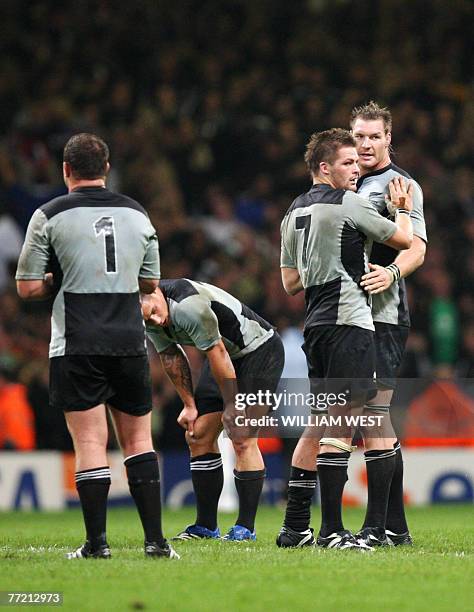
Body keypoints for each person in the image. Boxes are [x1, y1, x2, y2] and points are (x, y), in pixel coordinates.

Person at [15, 133, 178, 560]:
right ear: (106, 169)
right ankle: (156, 543)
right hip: (127, 339)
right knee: (140, 441)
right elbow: (149, 284)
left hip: (77, 342)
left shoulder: (48, 215)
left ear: (65, 170)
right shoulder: (136, 213)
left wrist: (55, 278)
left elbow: (28, 287)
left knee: (90, 443)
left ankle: (97, 544)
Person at [277, 128, 413, 550]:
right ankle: (333, 531)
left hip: (315, 326)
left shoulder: (293, 212)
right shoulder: (349, 204)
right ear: (324, 167)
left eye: (357, 163)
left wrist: (327, 262)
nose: (356, 170)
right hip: (349, 324)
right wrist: (403, 209)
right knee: (343, 424)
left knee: (320, 423)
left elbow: (290, 283)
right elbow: (404, 240)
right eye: (347, 163)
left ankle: (295, 526)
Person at [142, 278, 285, 541]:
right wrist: (189, 405)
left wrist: (231, 405)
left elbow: (217, 351)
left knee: (242, 436)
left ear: (155, 292)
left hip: (260, 351)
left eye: (153, 312)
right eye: (148, 320)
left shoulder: (188, 306)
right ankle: (206, 526)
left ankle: (245, 528)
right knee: (197, 435)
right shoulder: (147, 315)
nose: (156, 321)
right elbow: (171, 356)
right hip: (224, 356)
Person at [352, 101, 427, 546]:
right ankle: (394, 528)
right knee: (368, 416)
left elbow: (416, 247)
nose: (365, 144)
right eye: (358, 136)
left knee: (374, 414)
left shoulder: (400, 185)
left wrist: (391, 272)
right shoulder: (346, 179)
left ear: (388, 139)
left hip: (383, 315)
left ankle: (378, 527)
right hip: (350, 315)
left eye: (373, 136)